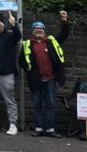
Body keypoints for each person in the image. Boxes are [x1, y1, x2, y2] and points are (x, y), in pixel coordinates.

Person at [22, 10, 71, 138]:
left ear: (44, 31)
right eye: (36, 29)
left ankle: (50, 129)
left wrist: (64, 21)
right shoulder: (27, 44)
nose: (39, 31)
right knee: (37, 104)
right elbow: (21, 61)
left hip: (50, 79)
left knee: (50, 105)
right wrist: (29, 69)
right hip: (36, 80)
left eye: (41, 29)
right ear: (32, 31)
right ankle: (38, 128)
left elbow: (64, 34)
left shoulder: (51, 42)